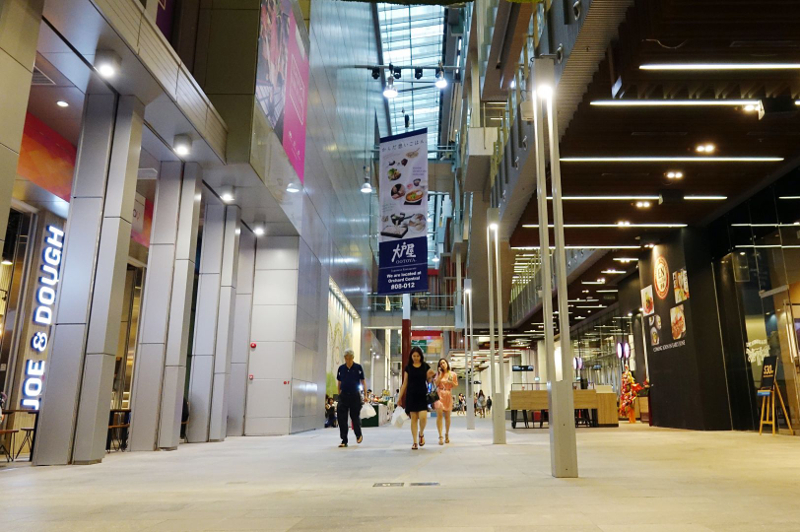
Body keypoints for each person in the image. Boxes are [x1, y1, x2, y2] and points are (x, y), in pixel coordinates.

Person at [398, 346, 430, 450]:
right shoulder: (408, 368)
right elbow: (405, 383)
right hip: (411, 395)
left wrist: (432, 376)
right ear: (411, 356)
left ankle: (421, 434)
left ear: (421, 356)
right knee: (414, 419)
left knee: (423, 416)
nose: (416, 358)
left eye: (417, 356)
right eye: (414, 356)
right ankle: (415, 441)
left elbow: (429, 381)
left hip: (422, 395)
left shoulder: (425, 366)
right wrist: (399, 398)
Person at [336, 349, 366, 448]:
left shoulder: (358, 367)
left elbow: (363, 381)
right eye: (346, 358)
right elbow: (339, 383)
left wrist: (365, 395)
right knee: (342, 418)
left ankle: (358, 435)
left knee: (355, 417)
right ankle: (344, 440)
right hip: (344, 395)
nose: (348, 360)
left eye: (349, 358)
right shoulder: (341, 368)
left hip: (354, 395)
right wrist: (339, 394)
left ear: (353, 358)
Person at [434, 358, 458, 445]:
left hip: (448, 394)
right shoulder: (438, 374)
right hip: (439, 394)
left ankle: (447, 434)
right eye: (440, 364)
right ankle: (440, 436)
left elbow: (455, 386)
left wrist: (451, 382)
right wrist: (440, 375)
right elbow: (436, 383)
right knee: (439, 415)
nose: (442, 365)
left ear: (447, 364)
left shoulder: (452, 374)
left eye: (443, 363)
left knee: (447, 417)